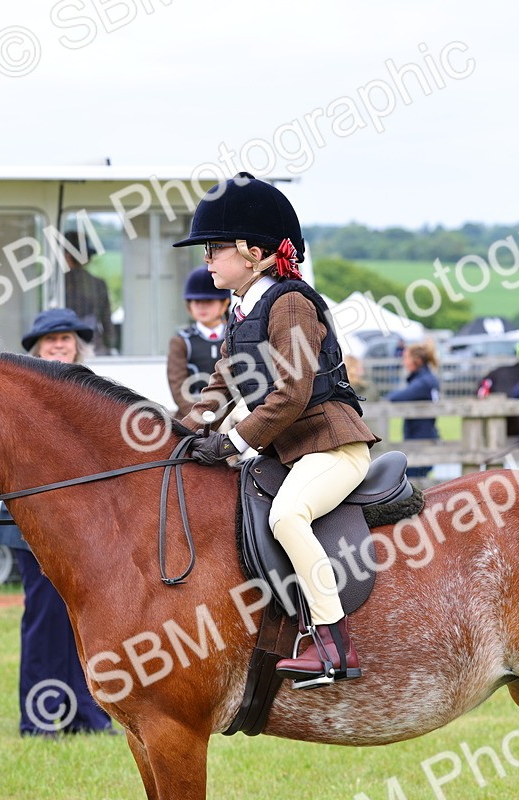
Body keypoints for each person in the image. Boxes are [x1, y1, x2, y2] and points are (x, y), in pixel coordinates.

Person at [176, 172, 376, 688]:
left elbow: (292, 392)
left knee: (288, 515)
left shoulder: (289, 302)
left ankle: (334, 645)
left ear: (255, 252)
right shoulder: (242, 310)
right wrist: (177, 435)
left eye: (215, 248)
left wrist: (233, 440)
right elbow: (220, 385)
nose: (207, 259)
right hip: (291, 450)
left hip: (332, 444)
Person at [0, 308, 116, 737]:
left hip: (85, 535)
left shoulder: (90, 394)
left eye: (66, 338)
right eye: (51, 340)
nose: (60, 345)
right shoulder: (22, 398)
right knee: (45, 625)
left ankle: (87, 715)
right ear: (37, 350)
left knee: (85, 626)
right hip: (36, 533)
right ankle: (42, 718)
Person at [166, 266, 230, 418]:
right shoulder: (181, 341)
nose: (201, 306)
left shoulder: (235, 335)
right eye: (196, 301)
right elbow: (178, 388)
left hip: (232, 415)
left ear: (224, 303)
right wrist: (200, 417)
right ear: (189, 305)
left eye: (208, 300)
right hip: (192, 415)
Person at [385, 340, 441, 478]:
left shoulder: (424, 382)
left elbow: (397, 397)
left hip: (420, 440)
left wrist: (385, 398)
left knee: (414, 481)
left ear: (417, 360)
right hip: (423, 436)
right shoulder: (427, 379)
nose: (404, 362)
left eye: (406, 358)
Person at [61, 231, 118, 355]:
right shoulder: (98, 283)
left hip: (66, 349)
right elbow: (107, 321)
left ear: (67, 256)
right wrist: (111, 346)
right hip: (95, 347)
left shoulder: (59, 284)